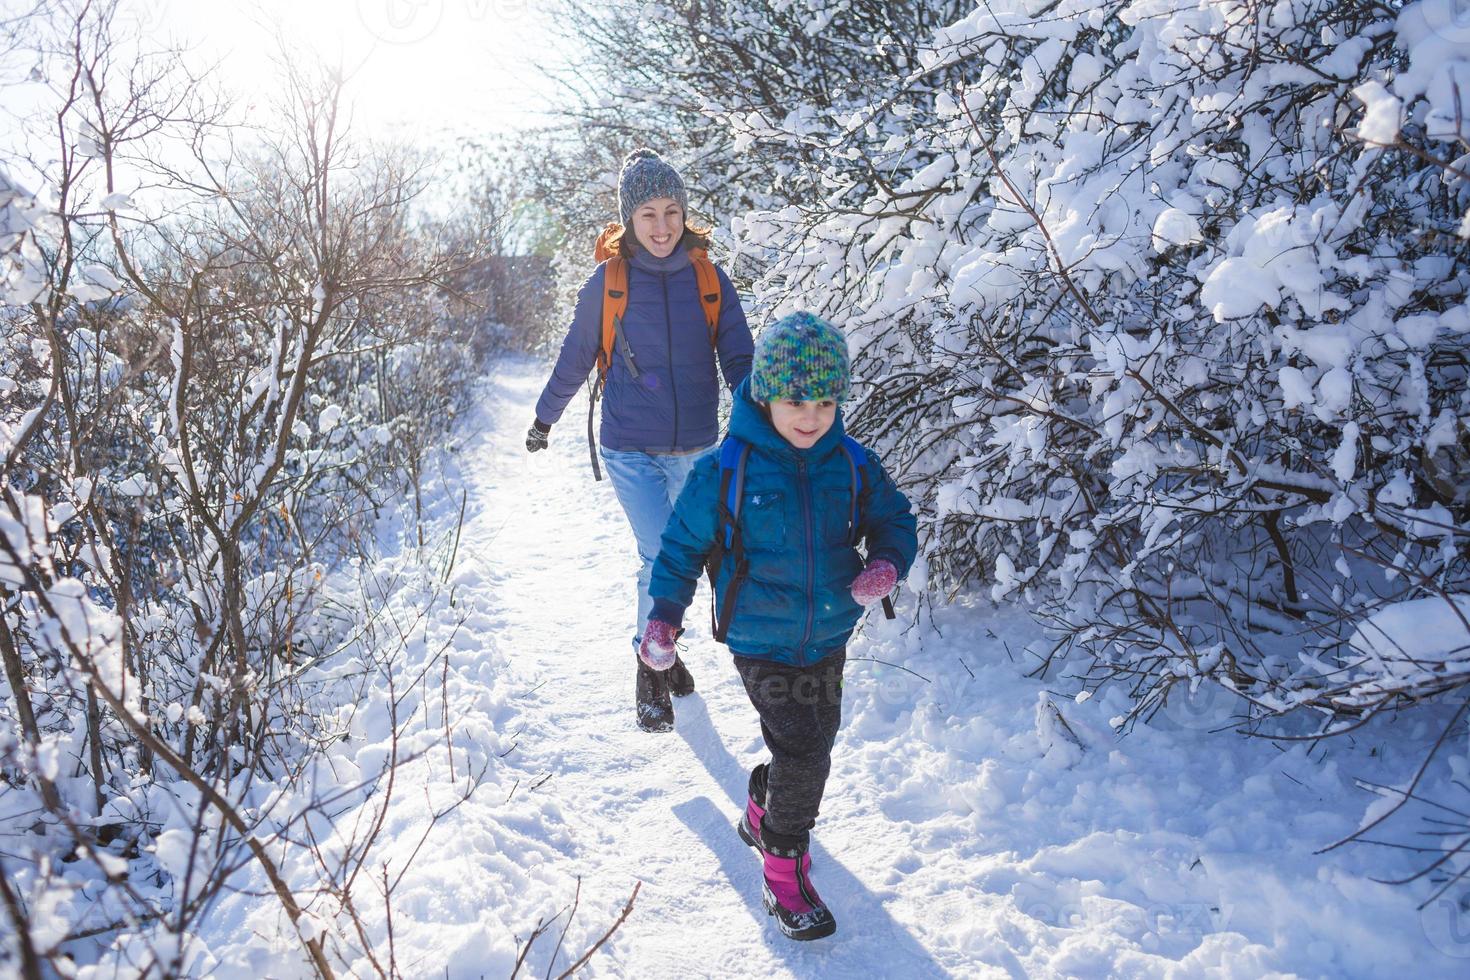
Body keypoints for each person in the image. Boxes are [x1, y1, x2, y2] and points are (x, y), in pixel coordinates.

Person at [638, 311, 918, 940]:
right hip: (760, 639)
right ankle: (783, 869)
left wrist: (887, 563)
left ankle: (764, 799)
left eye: (825, 400)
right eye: (796, 399)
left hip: (828, 634)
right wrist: (663, 618)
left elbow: (897, 519)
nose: (811, 415)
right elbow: (680, 549)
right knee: (807, 752)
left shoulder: (850, 462)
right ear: (766, 394)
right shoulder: (725, 470)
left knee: (817, 738)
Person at [525, 148, 754, 733]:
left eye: (671, 211)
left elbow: (739, 357)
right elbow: (576, 357)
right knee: (659, 553)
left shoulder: (708, 276)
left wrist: (766, 421)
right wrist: (544, 418)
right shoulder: (609, 281)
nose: (661, 226)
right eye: (648, 213)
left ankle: (666, 648)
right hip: (629, 447)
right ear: (629, 220)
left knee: (693, 556)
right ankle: (648, 669)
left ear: (684, 214)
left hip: (698, 447)